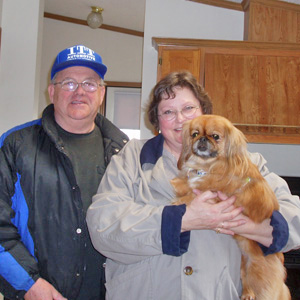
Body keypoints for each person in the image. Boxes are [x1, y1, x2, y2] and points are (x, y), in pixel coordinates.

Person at [86, 71, 300, 300]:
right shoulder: (132, 158)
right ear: (157, 122)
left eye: (189, 109)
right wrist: (181, 219)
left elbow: (294, 221)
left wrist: (243, 223)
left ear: (204, 112)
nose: (181, 119)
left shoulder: (247, 163)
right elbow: (103, 226)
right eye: (168, 112)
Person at [0, 45, 128, 300]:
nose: (80, 92)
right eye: (68, 83)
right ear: (52, 91)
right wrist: (30, 285)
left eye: (90, 84)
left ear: (101, 93)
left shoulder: (124, 152)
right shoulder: (16, 145)